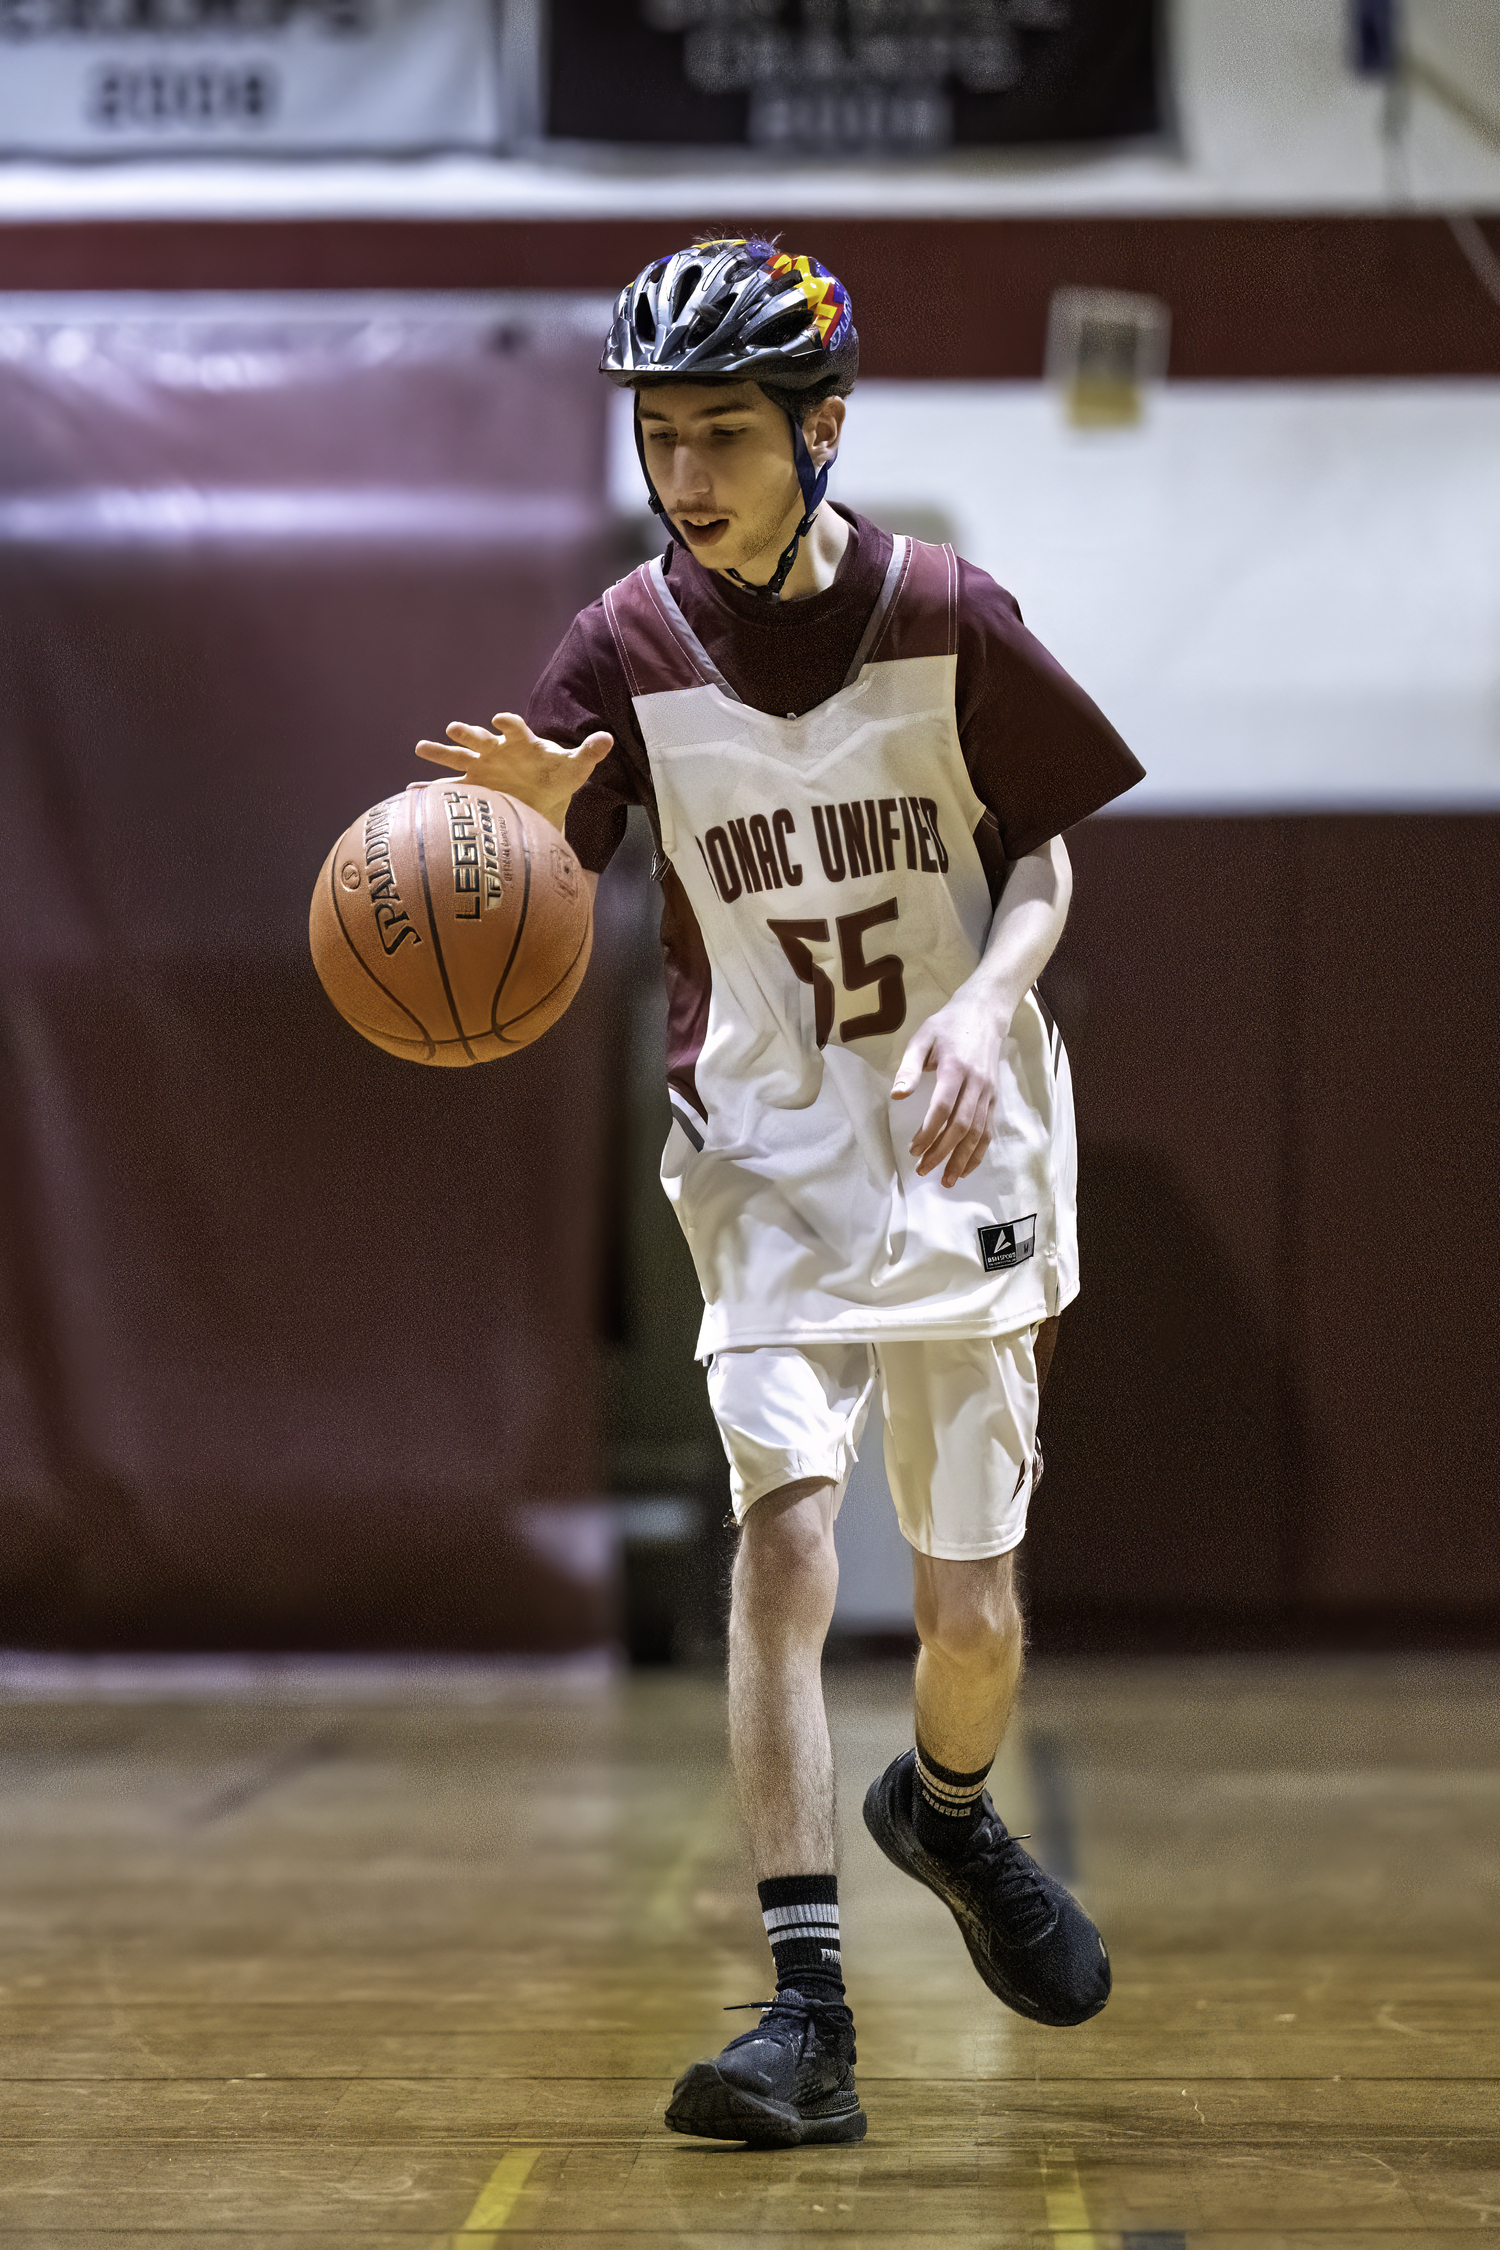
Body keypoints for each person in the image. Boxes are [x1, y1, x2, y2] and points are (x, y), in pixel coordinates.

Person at [416, 237, 1144, 2149]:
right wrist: (503, 844)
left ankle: (951, 1817)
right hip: (758, 1156)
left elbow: (1049, 862)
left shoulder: (948, 609)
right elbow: (535, 871)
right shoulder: (623, 650)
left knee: (972, 1613)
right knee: (788, 1536)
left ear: (823, 431)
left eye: (723, 432)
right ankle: (805, 2008)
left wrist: (989, 1005)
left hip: (964, 1138)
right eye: (659, 436)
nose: (686, 472)